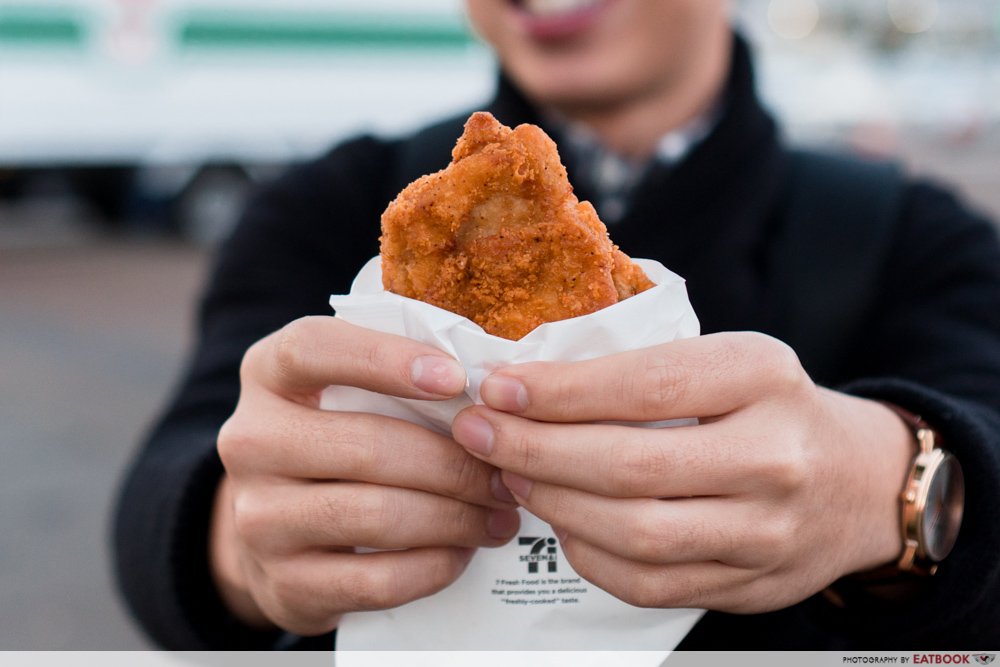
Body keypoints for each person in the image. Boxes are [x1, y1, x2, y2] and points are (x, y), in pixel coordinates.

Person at [114, 0, 1000, 649]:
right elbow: (169, 483)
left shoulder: (914, 236)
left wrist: (895, 483)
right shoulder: (324, 208)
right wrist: (242, 533)